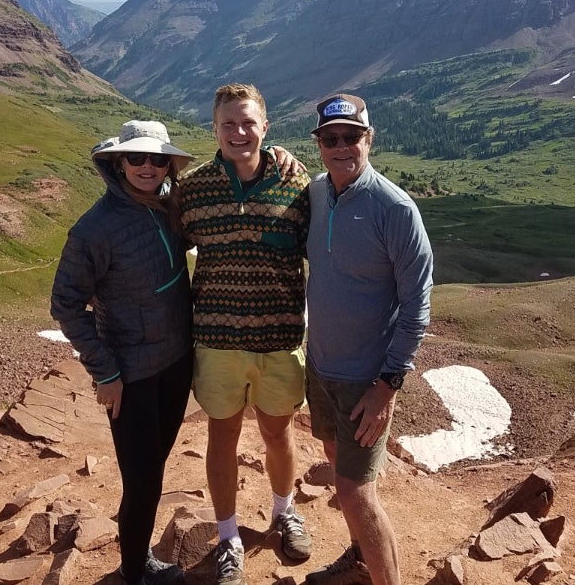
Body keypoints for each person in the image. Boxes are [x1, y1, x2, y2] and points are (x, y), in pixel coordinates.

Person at [178, 83, 313, 585]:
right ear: (214, 129)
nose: (239, 132)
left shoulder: (296, 186)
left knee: (278, 433)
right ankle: (229, 535)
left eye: (248, 122)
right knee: (222, 437)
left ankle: (284, 512)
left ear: (266, 127)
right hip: (217, 341)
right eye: (229, 124)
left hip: (279, 340)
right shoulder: (192, 189)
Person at [50, 120, 195, 585]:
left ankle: (138, 561)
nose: (147, 166)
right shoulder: (94, 229)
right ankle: (135, 571)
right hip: (131, 377)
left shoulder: (170, 204)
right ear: (119, 162)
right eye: (137, 158)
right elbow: (66, 304)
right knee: (143, 480)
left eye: (157, 159)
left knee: (153, 468)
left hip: (177, 362)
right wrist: (105, 371)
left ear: (168, 164)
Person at [303, 94, 433, 585]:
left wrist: (387, 387)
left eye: (351, 136)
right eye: (330, 138)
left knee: (356, 491)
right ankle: (359, 557)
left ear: (368, 139)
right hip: (321, 368)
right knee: (337, 465)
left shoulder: (395, 209)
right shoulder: (317, 193)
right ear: (319, 145)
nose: (342, 147)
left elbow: (418, 304)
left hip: (366, 381)